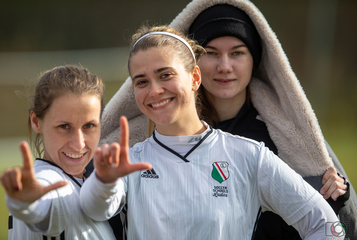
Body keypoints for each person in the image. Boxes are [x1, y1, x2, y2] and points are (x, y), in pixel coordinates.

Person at [96, 1, 357, 239]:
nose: (154, 91)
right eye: (142, 81)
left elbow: (328, 227)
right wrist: (101, 182)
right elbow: (91, 212)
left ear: (194, 78)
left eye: (166, 75)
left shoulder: (251, 155)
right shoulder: (126, 160)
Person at [0, 66, 117, 239]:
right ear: (36, 121)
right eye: (64, 126)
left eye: (89, 126)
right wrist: (27, 205)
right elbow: (47, 210)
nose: (78, 144)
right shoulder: (48, 180)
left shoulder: (90, 182)